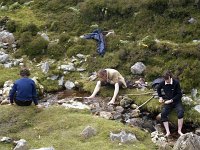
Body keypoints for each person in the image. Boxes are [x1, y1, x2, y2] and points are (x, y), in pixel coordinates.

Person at [157, 70, 184, 137]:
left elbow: (179, 94)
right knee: (163, 114)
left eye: (168, 79)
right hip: (168, 101)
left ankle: (179, 131)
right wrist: (160, 97)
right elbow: (158, 89)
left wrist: (171, 100)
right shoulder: (163, 82)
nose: (167, 81)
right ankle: (168, 132)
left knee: (180, 112)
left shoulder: (176, 83)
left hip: (176, 101)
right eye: (165, 80)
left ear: (170, 77)